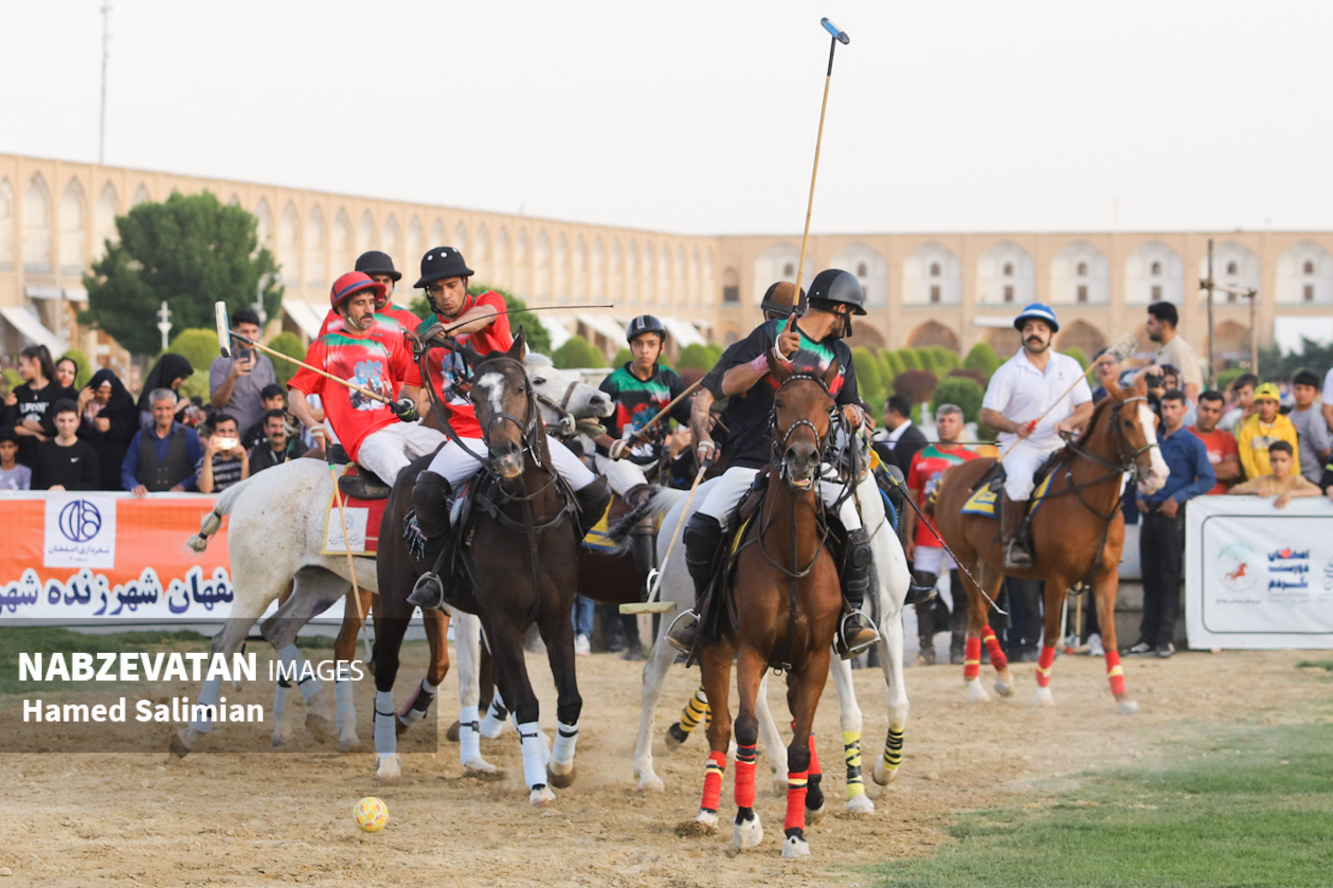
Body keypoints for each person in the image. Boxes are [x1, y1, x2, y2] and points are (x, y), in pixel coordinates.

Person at [668, 268, 880, 658]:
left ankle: (851, 619)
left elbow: (850, 403)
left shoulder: (842, 355)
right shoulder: (771, 334)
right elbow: (725, 385)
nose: (850, 321)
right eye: (851, 313)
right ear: (839, 309)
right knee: (701, 529)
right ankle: (703, 616)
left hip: (816, 467)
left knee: (856, 534)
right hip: (753, 461)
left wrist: (854, 413)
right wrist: (770, 358)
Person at [405, 247, 609, 610]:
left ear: (464, 283)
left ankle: (568, 552)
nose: (446, 295)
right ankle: (441, 576)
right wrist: (406, 404)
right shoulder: (423, 334)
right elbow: (412, 389)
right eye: (437, 289)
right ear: (430, 294)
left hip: (522, 436)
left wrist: (448, 329)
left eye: (452, 285)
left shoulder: (489, 303)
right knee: (425, 493)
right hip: (467, 438)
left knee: (596, 493)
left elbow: (480, 318)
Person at [593, 314, 692, 659]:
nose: (644, 350)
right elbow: (590, 424)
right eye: (638, 344)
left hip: (657, 463)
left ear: (661, 347)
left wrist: (687, 438)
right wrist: (612, 444)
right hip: (617, 461)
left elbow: (693, 418)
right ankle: (651, 576)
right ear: (631, 347)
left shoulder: (670, 380)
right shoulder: (614, 382)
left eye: (651, 344)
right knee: (642, 497)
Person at [288, 272, 438, 494]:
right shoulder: (326, 346)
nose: (369, 309)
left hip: (402, 426)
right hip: (367, 438)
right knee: (410, 484)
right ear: (342, 310)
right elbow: (295, 395)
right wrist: (312, 424)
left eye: (370, 302)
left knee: (453, 450)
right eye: (360, 303)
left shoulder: (387, 343)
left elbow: (415, 379)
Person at [979, 303, 1094, 569]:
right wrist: (1015, 427)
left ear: (1052, 334)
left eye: (1041, 328)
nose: (1035, 333)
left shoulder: (1070, 366)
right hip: (1022, 446)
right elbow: (987, 415)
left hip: (1062, 444)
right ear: (1022, 333)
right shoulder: (1008, 371)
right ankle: (1012, 543)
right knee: (1020, 480)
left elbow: (1087, 407)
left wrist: (1069, 421)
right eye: (1029, 328)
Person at [1125, 389, 1214, 659]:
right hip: (1150, 511)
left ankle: (1164, 638)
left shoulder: (1192, 443)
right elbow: (1138, 467)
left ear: (1184, 410)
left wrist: (1178, 498)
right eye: (1164, 407)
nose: (1168, 413)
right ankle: (1147, 638)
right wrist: (1139, 495)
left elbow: (1207, 479)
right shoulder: (1152, 437)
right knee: (1149, 577)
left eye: (1174, 407)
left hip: (1172, 515)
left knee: (1169, 577)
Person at [904, 403, 979, 665]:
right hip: (926, 535)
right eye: (941, 420)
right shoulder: (921, 456)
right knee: (924, 593)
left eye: (951, 420)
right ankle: (926, 648)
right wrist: (908, 536)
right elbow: (913, 496)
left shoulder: (972, 459)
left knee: (961, 593)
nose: (945, 425)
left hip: (960, 537)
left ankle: (958, 648)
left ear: (960, 426)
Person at [317, 250, 423, 338]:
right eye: (375, 280)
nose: (383, 287)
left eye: (386, 281)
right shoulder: (334, 318)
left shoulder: (410, 322)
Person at [4, 344, 77, 468]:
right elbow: (11, 427)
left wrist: (21, 421)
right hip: (22, 459)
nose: (19, 369)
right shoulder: (19, 392)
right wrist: (35, 434)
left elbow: (48, 426)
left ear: (35, 363)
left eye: (22, 364)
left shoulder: (57, 391)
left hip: (50, 459)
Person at [122, 388, 205, 496]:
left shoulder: (189, 435)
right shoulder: (140, 437)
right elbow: (127, 471)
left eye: (168, 408)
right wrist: (134, 486)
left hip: (181, 501)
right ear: (151, 409)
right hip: (147, 501)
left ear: (174, 409)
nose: (164, 413)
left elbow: (201, 470)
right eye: (159, 409)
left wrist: (183, 486)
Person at [209, 308, 277, 436]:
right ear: (234, 333)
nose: (250, 337)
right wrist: (232, 377)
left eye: (254, 331)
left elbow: (273, 401)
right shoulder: (221, 363)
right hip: (231, 435)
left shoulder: (265, 363)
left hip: (259, 436)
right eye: (245, 332)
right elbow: (216, 403)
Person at [76, 368, 139, 491]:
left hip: (114, 463)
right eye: (100, 392)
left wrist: (112, 425)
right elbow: (72, 428)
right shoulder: (84, 405)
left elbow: (132, 427)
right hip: (88, 462)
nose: (105, 396)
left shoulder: (123, 403)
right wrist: (79, 405)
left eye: (109, 392)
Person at [1230, 441, 1322, 509]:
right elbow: (1233, 490)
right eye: (1274, 460)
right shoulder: (1261, 480)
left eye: (1283, 460)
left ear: (1292, 462)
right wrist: (1254, 490)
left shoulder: (1296, 480)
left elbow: (1317, 491)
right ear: (1269, 461)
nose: (1278, 465)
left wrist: (1290, 494)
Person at [32, 400, 100, 491]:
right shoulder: (42, 450)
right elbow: (35, 485)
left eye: (71, 420)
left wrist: (65, 489)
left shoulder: (88, 451)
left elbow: (93, 485)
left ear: (78, 421)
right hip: (48, 499)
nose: (66, 425)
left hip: (77, 500)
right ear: (54, 421)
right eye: (62, 420)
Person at [1236, 383, 1299, 480]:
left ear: (1277, 406)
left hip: (1282, 482)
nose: (1264, 407)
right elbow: (1247, 460)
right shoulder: (1248, 428)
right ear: (1255, 405)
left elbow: (1293, 458)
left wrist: (1292, 482)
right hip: (1256, 483)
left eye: (1269, 403)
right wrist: (1258, 481)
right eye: (1260, 403)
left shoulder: (1286, 427)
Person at [1146, 302, 1202, 406]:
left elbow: (1190, 387)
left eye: (1151, 323)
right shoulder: (1163, 349)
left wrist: (1185, 414)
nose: (1147, 328)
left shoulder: (1179, 349)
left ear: (1164, 325)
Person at [1189, 389, 1241, 495]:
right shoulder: (1183, 435)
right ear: (1197, 409)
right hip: (1188, 499)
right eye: (1205, 409)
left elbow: (1233, 471)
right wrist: (1220, 467)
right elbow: (1178, 471)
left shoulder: (1228, 438)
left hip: (1218, 502)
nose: (1209, 415)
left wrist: (1194, 469)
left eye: (1215, 411)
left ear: (1221, 414)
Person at [1288, 369, 1331, 485]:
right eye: (1299, 388)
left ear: (1316, 392)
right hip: (1293, 474)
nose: (1302, 393)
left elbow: (1325, 451)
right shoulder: (1290, 415)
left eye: (1307, 389)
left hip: (1310, 476)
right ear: (1292, 389)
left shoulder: (1315, 417)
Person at [872, 394, 927, 477]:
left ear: (896, 414)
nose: (884, 417)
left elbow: (904, 474)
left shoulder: (912, 440)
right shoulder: (901, 435)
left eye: (886, 412)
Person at [136, 354, 194, 430]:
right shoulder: (148, 398)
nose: (183, 384)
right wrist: (176, 408)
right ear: (171, 373)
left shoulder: (174, 394)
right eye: (182, 378)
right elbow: (150, 429)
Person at [196, 413, 249, 494]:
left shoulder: (247, 457)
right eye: (222, 431)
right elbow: (206, 489)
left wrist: (244, 460)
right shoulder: (204, 461)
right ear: (214, 434)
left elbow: (247, 490)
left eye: (231, 431)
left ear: (237, 434)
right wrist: (208, 457)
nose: (227, 435)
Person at [248, 408, 307, 474]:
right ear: (266, 428)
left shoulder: (299, 448)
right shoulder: (259, 451)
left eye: (282, 426)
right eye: (273, 426)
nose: (278, 431)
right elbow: (257, 478)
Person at [241, 384, 288, 450]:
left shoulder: (292, 426)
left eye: (279, 399)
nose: (275, 403)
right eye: (271, 399)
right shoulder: (254, 430)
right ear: (263, 403)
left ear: (283, 402)